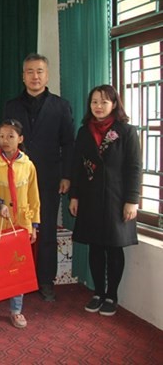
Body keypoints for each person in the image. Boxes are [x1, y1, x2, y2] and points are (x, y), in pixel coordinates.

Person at [4, 53, 75, 302]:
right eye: (30, 72)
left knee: (45, 230)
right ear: (22, 76)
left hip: (49, 178)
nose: (35, 76)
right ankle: (14, 279)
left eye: (40, 71)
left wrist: (66, 176)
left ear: (47, 74)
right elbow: (5, 141)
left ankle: (46, 280)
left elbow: (68, 144)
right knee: (16, 231)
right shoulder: (11, 106)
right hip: (17, 179)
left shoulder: (61, 105)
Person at [69, 85, 142, 317]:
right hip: (90, 198)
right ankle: (98, 292)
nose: (98, 106)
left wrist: (132, 200)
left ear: (114, 104)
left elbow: (134, 167)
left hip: (116, 198)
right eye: (94, 102)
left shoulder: (127, 131)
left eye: (104, 102)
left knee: (114, 246)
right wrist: (75, 195)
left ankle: (112, 295)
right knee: (95, 245)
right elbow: (78, 167)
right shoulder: (83, 131)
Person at [0, 120, 40, 330]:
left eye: (10, 136)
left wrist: (34, 225)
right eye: (1, 136)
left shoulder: (28, 165)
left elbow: (34, 197)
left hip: (20, 223)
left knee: (17, 268)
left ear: (20, 139)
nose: (5, 141)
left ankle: (16, 310)